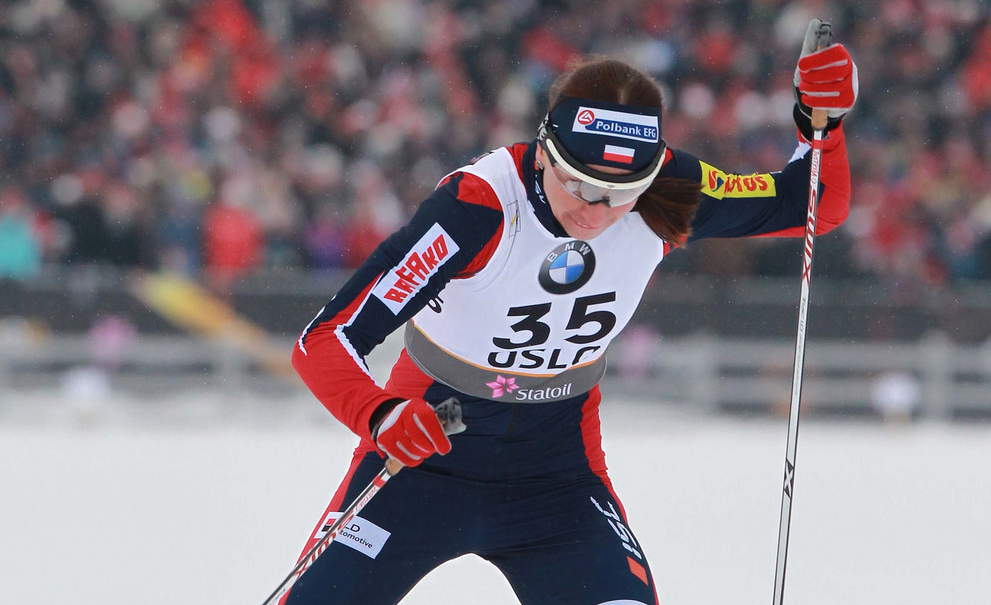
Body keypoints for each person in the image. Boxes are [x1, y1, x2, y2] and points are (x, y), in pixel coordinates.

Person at [284, 32, 858, 603]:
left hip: (555, 483)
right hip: (422, 465)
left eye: (621, 192)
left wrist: (820, 126)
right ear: (545, 151)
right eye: (578, 184)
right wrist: (379, 412)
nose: (595, 210)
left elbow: (812, 204)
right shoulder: (479, 207)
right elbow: (324, 339)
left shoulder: (670, 191)